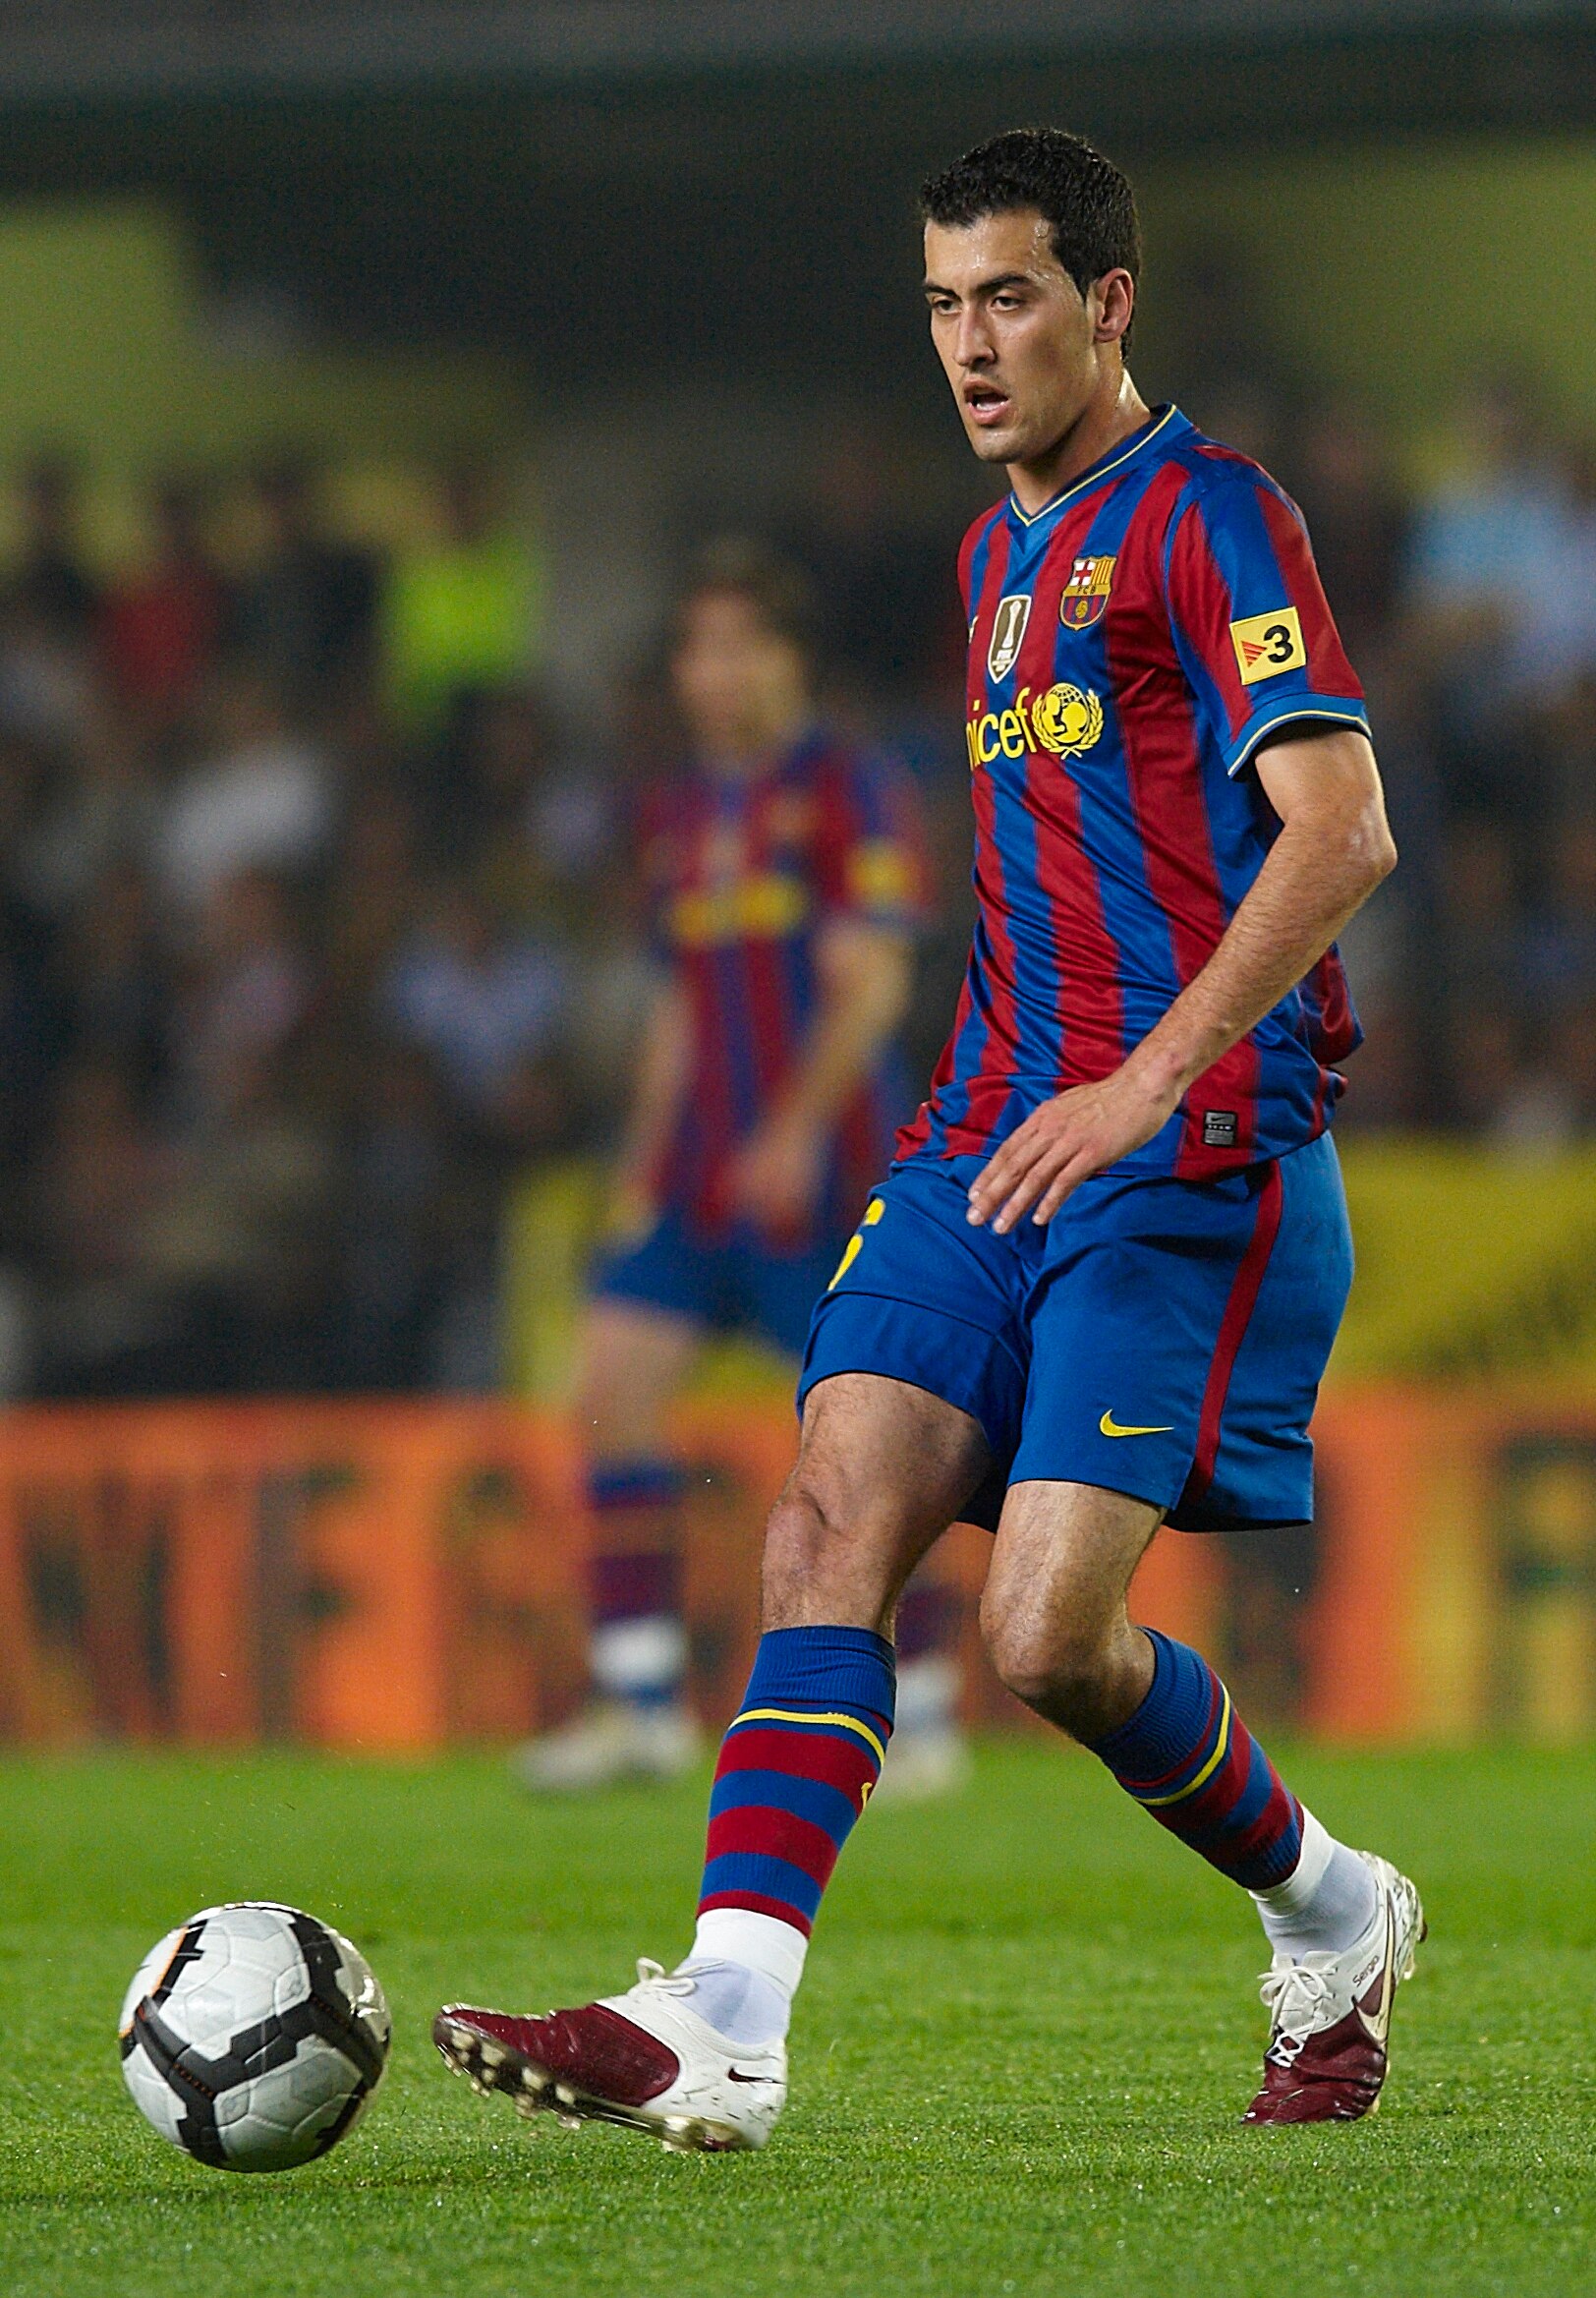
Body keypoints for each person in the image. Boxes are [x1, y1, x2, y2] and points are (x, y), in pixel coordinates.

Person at [435, 128, 1415, 2148]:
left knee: (1046, 1636)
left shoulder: (1213, 516)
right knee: (824, 1511)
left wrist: (1139, 1079)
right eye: (942, 306)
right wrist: (1021, 1087)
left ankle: (1331, 1904)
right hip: (987, 1140)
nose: (969, 345)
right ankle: (723, 2010)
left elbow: (1340, 826)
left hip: (1188, 1159)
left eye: (1009, 298)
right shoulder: (986, 559)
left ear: (1105, 301)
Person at [514, 540, 967, 1796]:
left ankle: (920, 1704)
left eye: (735, 646)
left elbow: (872, 987)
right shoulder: (680, 809)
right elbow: (677, 1007)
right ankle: (642, 1700)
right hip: (700, 1169)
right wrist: (646, 1162)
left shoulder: (849, 788)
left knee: (870, 1444)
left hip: (820, 1173)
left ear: (788, 658)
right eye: (692, 649)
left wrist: (793, 1127)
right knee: (607, 1384)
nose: (709, 674)